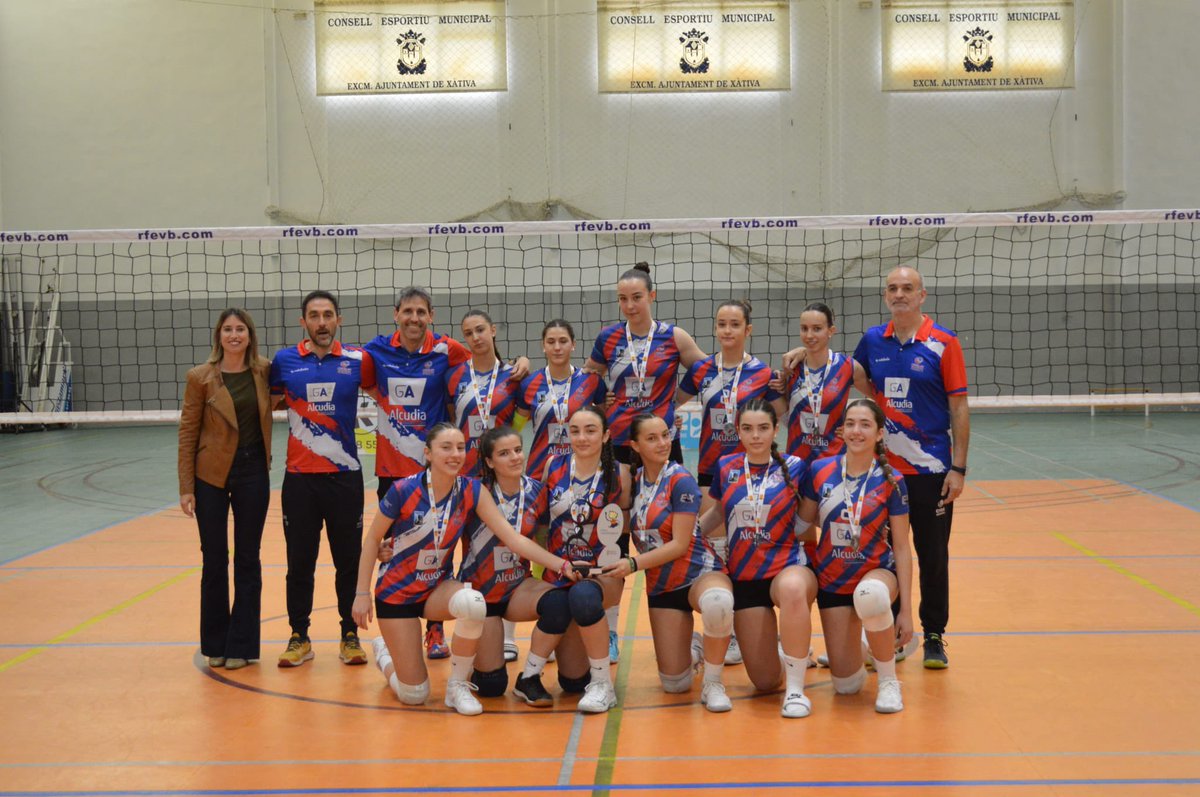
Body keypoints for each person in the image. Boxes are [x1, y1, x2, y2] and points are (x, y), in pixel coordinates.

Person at [352, 423, 577, 716]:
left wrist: (561, 565)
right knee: (414, 694)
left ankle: (457, 686)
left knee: (473, 602)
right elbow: (371, 540)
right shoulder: (403, 489)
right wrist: (361, 593)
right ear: (428, 453)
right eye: (446, 448)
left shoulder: (471, 490)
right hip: (397, 594)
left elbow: (512, 538)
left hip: (437, 588)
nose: (455, 454)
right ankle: (385, 652)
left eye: (460, 447)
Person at [362, 289, 528, 660]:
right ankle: (394, 631)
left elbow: (485, 367)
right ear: (396, 314)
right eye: (407, 311)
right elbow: (368, 383)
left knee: (448, 545)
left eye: (421, 312)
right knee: (394, 551)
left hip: (455, 472)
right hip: (397, 471)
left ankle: (437, 631)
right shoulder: (375, 350)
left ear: (432, 316)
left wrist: (521, 362)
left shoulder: (448, 353)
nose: (414, 318)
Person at [586, 262, 706, 660]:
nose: (630, 305)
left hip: (658, 446)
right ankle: (611, 631)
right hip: (619, 447)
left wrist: (677, 401)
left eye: (636, 297)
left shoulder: (673, 337)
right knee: (614, 538)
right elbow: (587, 378)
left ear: (651, 297)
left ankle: (691, 624)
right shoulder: (608, 339)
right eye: (623, 299)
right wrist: (597, 400)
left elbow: (704, 369)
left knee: (674, 533)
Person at [851, 266, 969, 669]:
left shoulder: (943, 343)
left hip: (931, 470)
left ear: (922, 295)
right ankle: (893, 634)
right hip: (884, 472)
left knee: (932, 553)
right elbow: (850, 375)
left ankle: (934, 634)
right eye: (892, 289)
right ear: (886, 296)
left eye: (907, 288)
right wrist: (801, 353)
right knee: (884, 557)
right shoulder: (872, 340)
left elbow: (959, 406)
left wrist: (959, 468)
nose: (899, 294)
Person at [602, 413, 736, 712]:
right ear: (634, 445)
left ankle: (714, 682)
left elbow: (679, 545)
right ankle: (696, 646)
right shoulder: (632, 483)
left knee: (718, 602)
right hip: (662, 584)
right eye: (652, 438)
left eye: (665, 435)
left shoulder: (681, 479)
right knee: (674, 684)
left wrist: (634, 565)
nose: (663, 443)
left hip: (699, 571)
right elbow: (620, 526)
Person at [698, 399, 818, 718]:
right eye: (748, 429)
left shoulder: (795, 466)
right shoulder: (727, 466)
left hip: (788, 566)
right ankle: (787, 652)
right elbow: (719, 512)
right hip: (746, 576)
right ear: (738, 431)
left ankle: (795, 691)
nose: (755, 436)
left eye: (763, 428)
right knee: (765, 682)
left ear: (775, 430)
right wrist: (688, 536)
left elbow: (810, 517)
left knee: (793, 589)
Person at [269, 291, 368, 667]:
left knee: (348, 561)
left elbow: (391, 384)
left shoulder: (357, 362)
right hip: (299, 481)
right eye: (314, 315)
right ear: (304, 322)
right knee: (300, 563)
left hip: (345, 478)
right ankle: (299, 636)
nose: (322, 322)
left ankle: (350, 635)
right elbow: (266, 403)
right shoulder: (285, 361)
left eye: (328, 315)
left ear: (338, 319)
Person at [798, 399, 912, 713]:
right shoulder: (820, 471)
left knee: (871, 595)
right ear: (842, 429)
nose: (856, 431)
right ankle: (865, 643)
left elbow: (902, 547)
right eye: (850, 424)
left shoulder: (892, 481)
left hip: (876, 573)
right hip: (833, 580)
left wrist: (906, 612)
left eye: (864, 424)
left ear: (878, 434)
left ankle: (888, 680)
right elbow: (802, 524)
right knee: (846, 687)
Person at [514, 405, 630, 713]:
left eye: (591, 430)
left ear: (606, 435)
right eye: (575, 431)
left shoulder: (620, 473)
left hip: (600, 573)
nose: (582, 437)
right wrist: (545, 569)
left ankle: (604, 684)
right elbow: (540, 524)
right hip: (560, 572)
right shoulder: (553, 464)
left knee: (584, 597)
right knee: (572, 681)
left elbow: (625, 530)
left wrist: (609, 569)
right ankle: (529, 677)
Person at [178, 308, 273, 670]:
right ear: (219, 335)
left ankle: (242, 645)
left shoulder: (264, 371)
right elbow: (188, 431)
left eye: (241, 329)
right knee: (214, 560)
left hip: (252, 471)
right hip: (210, 474)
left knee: (248, 558)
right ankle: (215, 643)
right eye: (228, 329)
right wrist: (187, 486)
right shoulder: (200, 377)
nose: (234, 335)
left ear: (250, 335)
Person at [458, 425, 557, 703]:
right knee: (491, 687)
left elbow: (544, 541)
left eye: (517, 450)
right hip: (481, 593)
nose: (515, 457)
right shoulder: (475, 492)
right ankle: (472, 662)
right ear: (489, 462)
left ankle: (530, 677)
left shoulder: (537, 492)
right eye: (504, 453)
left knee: (559, 602)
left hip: (517, 587)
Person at [514, 319, 607, 481]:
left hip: (581, 470)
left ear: (573, 345)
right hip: (540, 471)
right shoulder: (528, 384)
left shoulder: (591, 381)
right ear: (543, 346)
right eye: (551, 342)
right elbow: (515, 428)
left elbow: (605, 421)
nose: (557, 347)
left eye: (563, 341)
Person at [781, 302, 864, 465]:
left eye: (817, 328)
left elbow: (877, 397)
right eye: (804, 328)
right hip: (796, 462)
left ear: (831, 331)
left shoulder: (848, 367)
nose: (809, 335)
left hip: (834, 463)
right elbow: (784, 410)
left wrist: (855, 425)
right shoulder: (791, 367)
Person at [445, 309, 521, 477]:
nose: (476, 337)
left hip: (503, 469)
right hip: (465, 470)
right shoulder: (453, 376)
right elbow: (452, 421)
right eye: (468, 333)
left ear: (493, 330)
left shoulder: (514, 376)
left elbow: (521, 420)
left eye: (480, 330)